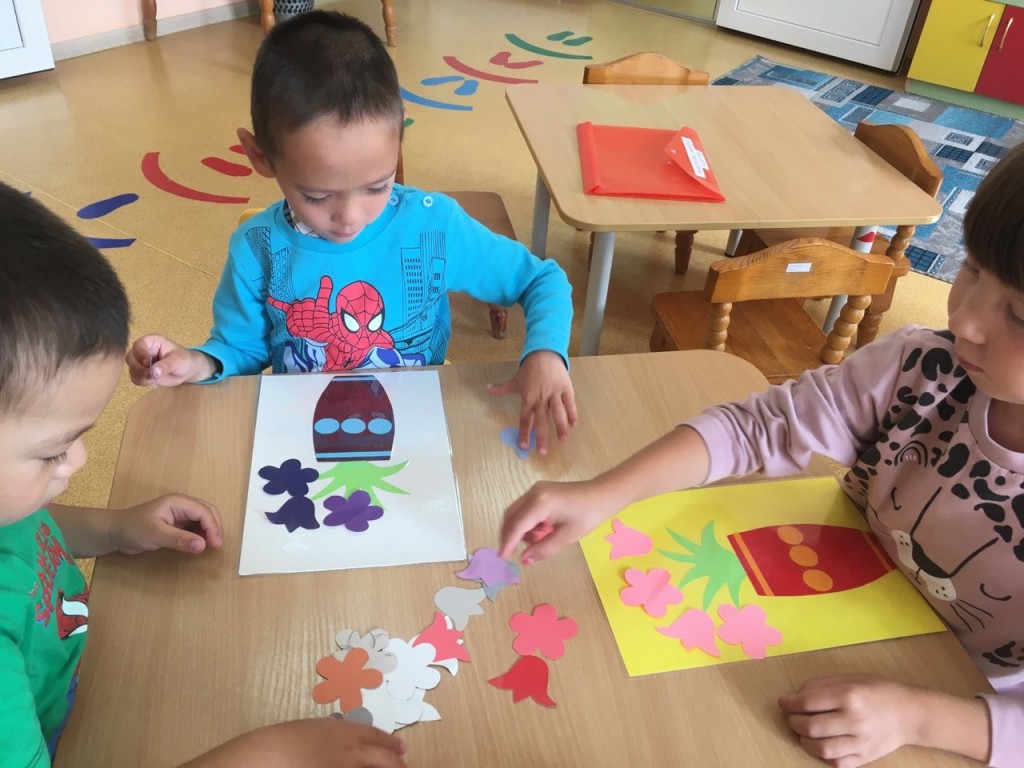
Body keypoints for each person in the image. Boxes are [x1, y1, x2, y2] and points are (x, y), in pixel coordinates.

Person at [499, 142, 1024, 768]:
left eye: (1019, 313)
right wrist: (604, 493)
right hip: (833, 616)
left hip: (960, 701)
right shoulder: (921, 365)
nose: (965, 321)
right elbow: (760, 428)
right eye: (971, 270)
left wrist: (919, 716)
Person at [0, 182, 408, 767]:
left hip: (73, 669)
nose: (80, 461)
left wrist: (115, 528)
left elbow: (28, 533)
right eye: (52, 452)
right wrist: (270, 755)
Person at [126, 10, 577, 455]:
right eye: (318, 196)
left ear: (399, 136)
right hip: (307, 433)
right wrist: (198, 362)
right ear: (260, 157)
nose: (350, 216)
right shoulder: (258, 248)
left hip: (414, 427)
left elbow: (541, 280)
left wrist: (546, 354)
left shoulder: (433, 228)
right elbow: (240, 349)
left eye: (377, 186)